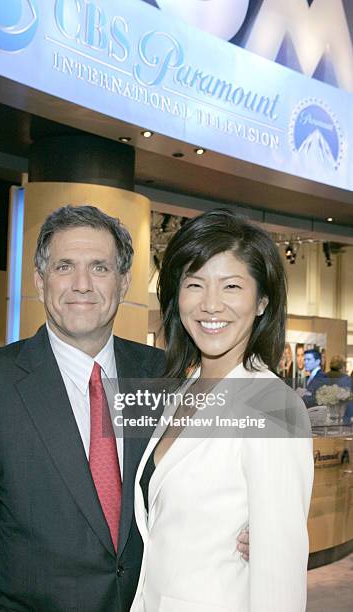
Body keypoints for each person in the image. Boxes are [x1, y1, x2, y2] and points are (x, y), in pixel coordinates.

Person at [0, 205, 249, 612]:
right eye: (65, 266)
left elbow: (220, 468)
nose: (82, 284)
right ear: (40, 282)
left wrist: (256, 520)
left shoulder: (162, 376)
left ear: (124, 282)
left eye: (100, 267)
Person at [130, 209, 314, 612]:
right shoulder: (180, 390)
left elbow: (279, 579)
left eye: (231, 286)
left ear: (262, 300)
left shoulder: (273, 405)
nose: (211, 305)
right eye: (195, 284)